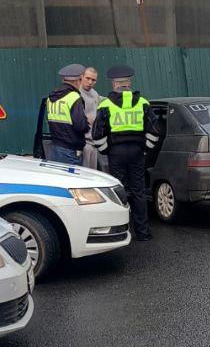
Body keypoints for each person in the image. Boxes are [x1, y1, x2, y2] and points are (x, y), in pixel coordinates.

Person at [92, 63, 160, 241]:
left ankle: (120, 232)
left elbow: (97, 134)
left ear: (114, 84)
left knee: (118, 192)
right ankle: (143, 233)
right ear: (129, 83)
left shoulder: (105, 105)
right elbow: (154, 131)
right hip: (137, 152)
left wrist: (107, 151)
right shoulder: (143, 103)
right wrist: (144, 149)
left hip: (116, 153)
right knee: (138, 191)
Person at [33, 64, 88, 165]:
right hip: (70, 150)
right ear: (77, 81)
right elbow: (81, 126)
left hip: (54, 148)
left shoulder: (51, 97)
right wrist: (88, 121)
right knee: (73, 180)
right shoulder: (74, 97)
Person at [80, 65, 102, 169]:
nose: (90, 82)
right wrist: (85, 119)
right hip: (83, 143)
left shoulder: (95, 94)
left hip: (94, 143)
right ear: (82, 77)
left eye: (93, 80)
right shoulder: (77, 93)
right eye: (87, 78)